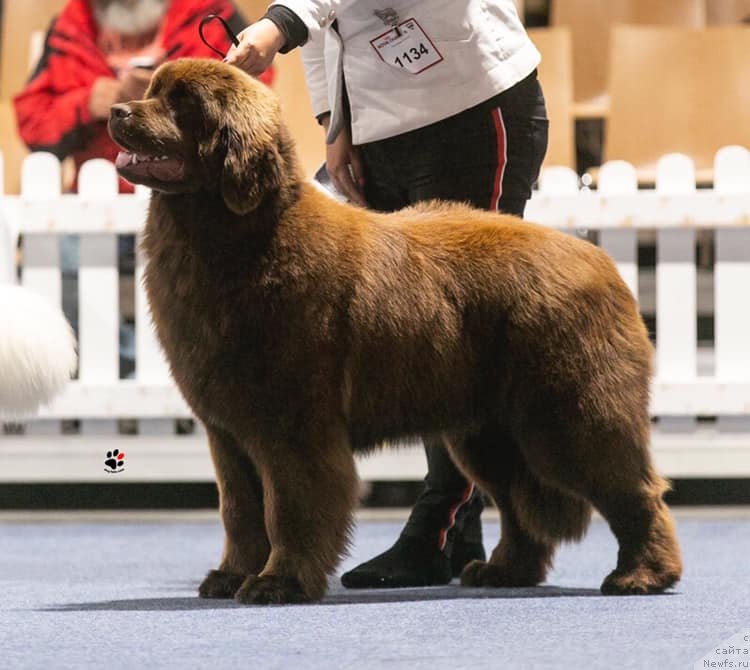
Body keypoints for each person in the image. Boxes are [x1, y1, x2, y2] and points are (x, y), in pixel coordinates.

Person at [226, 0, 549, 588]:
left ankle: (438, 527)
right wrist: (334, 121)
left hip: (470, 103)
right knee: (425, 341)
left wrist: (281, 24)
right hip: (380, 123)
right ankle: (456, 534)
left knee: (466, 337)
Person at [13, 0, 273, 379]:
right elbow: (33, 119)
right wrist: (87, 102)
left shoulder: (211, 13)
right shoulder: (71, 24)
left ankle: (178, 379)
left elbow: (255, 90)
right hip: (97, 207)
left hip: (196, 203)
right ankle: (124, 371)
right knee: (59, 259)